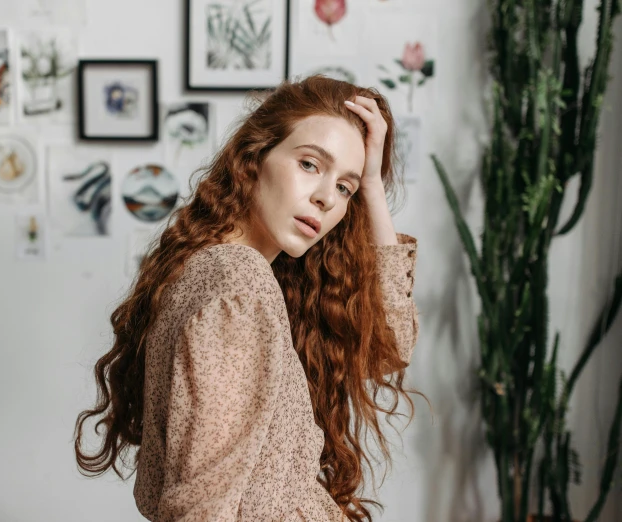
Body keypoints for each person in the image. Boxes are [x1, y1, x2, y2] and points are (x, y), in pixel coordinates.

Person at [74, 75, 421, 522]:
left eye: (344, 188)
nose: (324, 199)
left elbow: (390, 346)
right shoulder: (240, 284)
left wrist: (372, 185)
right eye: (310, 165)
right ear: (254, 157)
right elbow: (202, 506)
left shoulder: (218, 271)